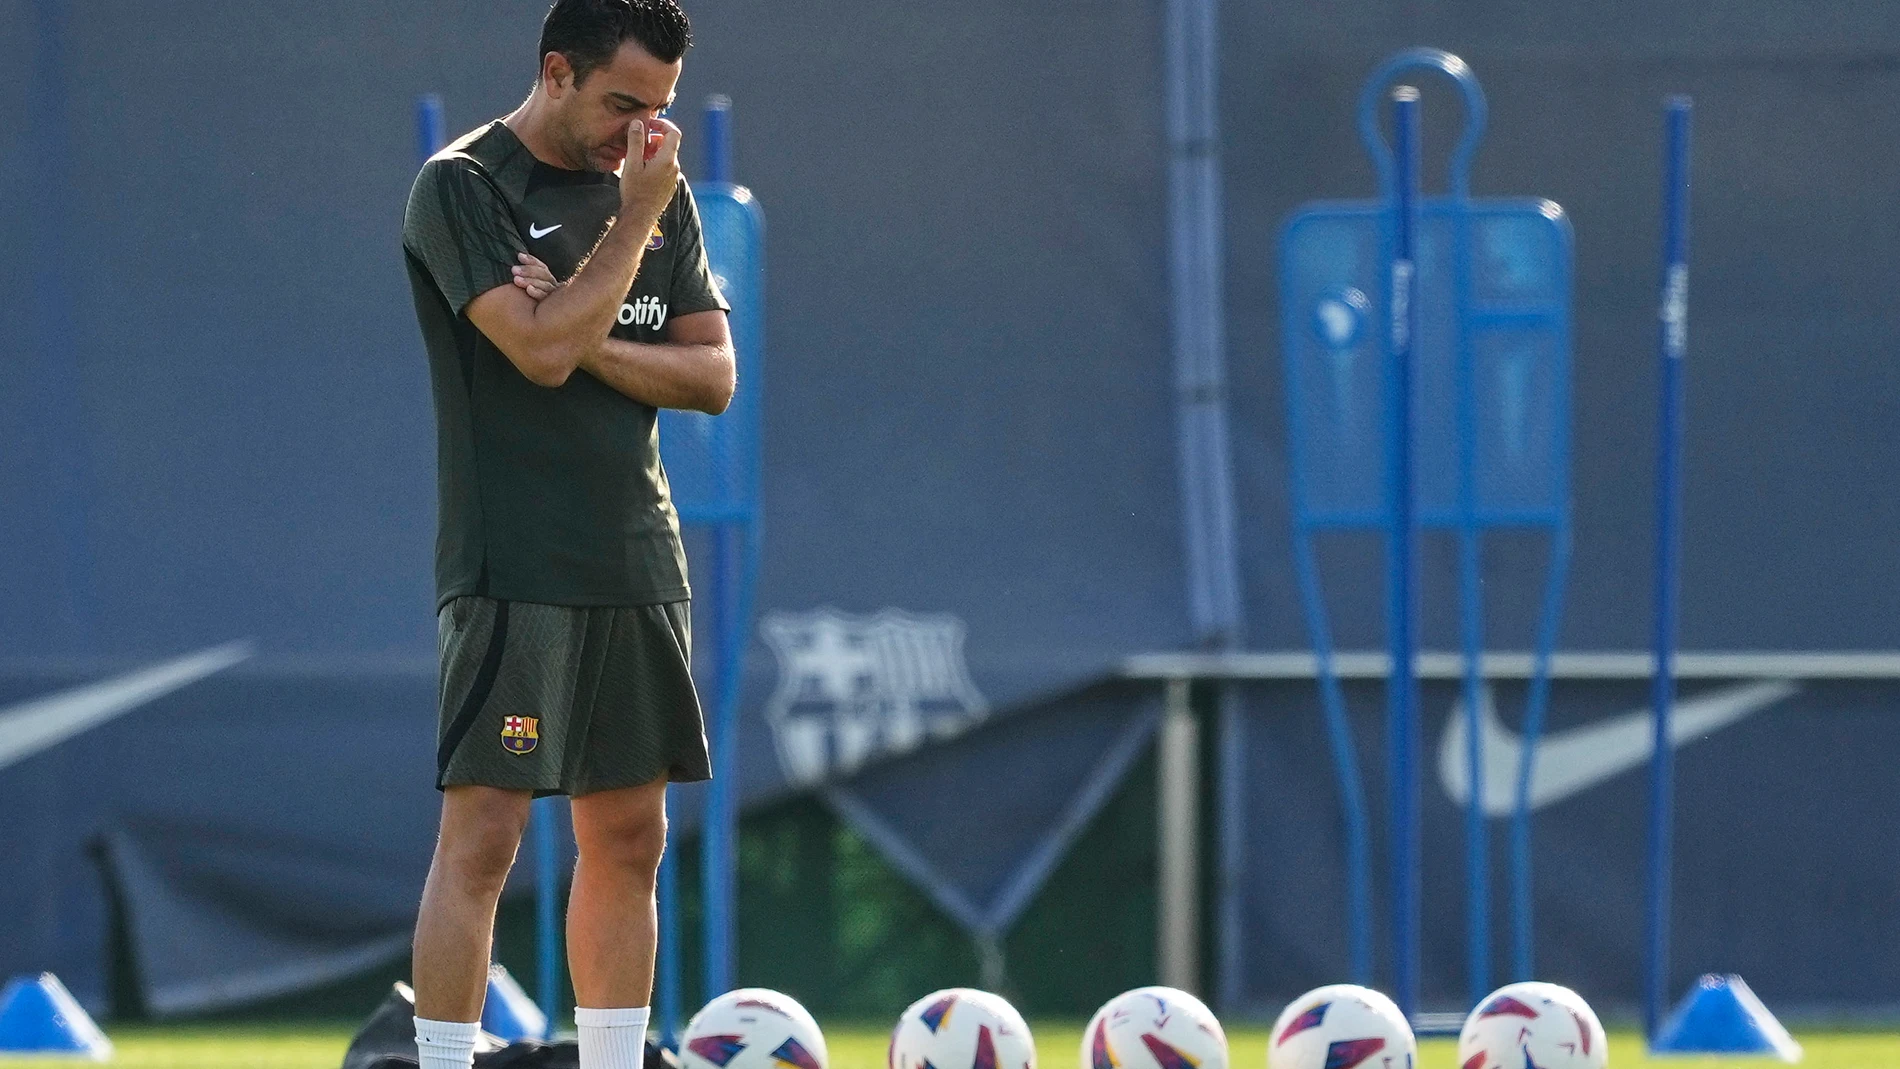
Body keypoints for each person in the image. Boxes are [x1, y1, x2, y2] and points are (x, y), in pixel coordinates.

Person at [399, 0, 733, 1065]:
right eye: (623, 102)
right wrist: (631, 226)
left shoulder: (650, 182)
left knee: (630, 837)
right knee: (486, 839)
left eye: (662, 109)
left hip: (636, 556)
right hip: (515, 562)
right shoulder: (463, 186)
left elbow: (713, 375)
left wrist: (581, 330)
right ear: (556, 70)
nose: (644, 132)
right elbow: (531, 353)